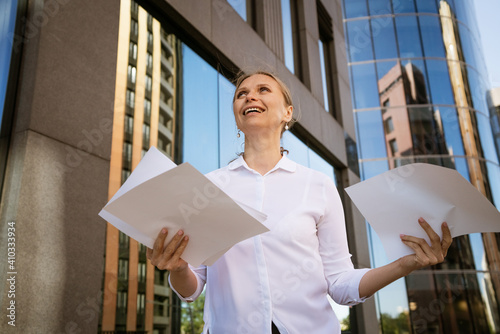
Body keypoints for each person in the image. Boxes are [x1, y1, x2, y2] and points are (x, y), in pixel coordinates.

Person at [147, 71, 452, 334]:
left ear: (287, 113)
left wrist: (406, 264)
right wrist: (177, 268)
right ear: (237, 119)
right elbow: (193, 286)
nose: (250, 96)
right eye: (242, 94)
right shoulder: (210, 187)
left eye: (262, 90)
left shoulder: (317, 185)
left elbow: (340, 283)